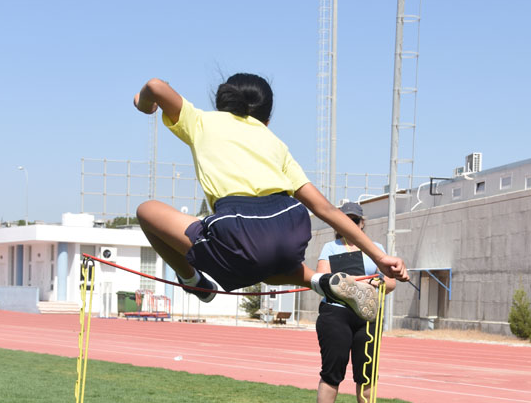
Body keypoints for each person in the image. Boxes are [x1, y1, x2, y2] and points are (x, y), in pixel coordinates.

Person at [133, 73, 408, 317]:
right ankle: (320, 281)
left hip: (238, 227)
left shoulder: (203, 121)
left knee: (146, 211)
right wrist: (379, 256)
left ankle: (193, 282)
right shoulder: (275, 143)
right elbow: (326, 209)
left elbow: (155, 85)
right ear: (267, 118)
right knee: (264, 265)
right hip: (290, 224)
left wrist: (144, 105)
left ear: (223, 105)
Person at [312, 202, 395, 403]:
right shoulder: (329, 248)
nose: (350, 224)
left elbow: (390, 283)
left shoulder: (376, 248)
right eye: (345, 219)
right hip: (335, 313)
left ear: (362, 223)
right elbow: (320, 281)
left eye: (354, 220)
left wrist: (375, 283)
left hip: (366, 316)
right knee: (332, 370)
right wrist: (347, 285)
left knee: (367, 372)